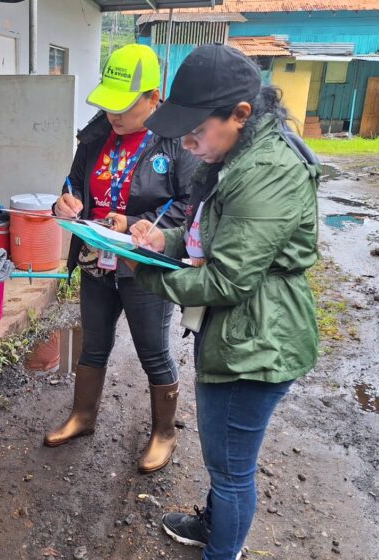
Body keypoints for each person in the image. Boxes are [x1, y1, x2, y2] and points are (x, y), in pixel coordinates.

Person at [125, 44, 321, 560]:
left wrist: (143, 271)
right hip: (240, 334)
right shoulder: (239, 155)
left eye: (197, 130)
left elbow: (228, 279)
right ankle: (212, 524)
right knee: (225, 458)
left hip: (258, 344)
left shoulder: (267, 172)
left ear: (241, 114)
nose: (188, 143)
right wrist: (156, 243)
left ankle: (222, 550)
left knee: (233, 469)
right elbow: (207, 242)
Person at [47, 44, 198, 473]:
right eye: (109, 102)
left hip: (143, 267)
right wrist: (68, 201)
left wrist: (134, 221)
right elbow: (73, 181)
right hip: (97, 258)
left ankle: (164, 434)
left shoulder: (178, 142)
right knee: (94, 344)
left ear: (154, 97)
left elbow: (189, 206)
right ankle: (83, 416)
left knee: (153, 351)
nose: (114, 114)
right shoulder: (95, 134)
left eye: (125, 105)